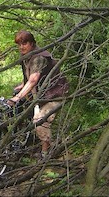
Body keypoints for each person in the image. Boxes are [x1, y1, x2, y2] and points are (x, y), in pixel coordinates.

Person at [7, 30, 69, 159]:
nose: (21, 47)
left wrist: (18, 97)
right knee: (23, 113)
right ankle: (34, 144)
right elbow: (29, 78)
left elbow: (34, 79)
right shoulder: (27, 57)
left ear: (32, 43)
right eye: (19, 44)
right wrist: (22, 87)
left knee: (40, 121)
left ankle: (46, 154)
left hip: (54, 94)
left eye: (24, 43)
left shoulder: (39, 57)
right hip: (41, 94)